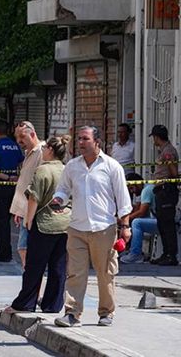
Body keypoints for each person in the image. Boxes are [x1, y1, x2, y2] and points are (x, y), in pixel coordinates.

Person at [52, 125, 131, 328]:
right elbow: (63, 189)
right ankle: (72, 313)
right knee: (75, 272)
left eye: (85, 139)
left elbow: (123, 200)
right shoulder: (72, 166)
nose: (80, 143)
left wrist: (125, 226)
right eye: (79, 139)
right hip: (77, 227)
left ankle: (106, 312)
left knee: (105, 272)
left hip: (104, 228)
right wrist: (58, 199)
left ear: (97, 142)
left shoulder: (112, 167)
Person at [6, 136, 71, 314]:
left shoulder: (42, 171)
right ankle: (53, 304)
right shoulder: (67, 170)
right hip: (65, 223)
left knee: (35, 266)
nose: (42, 150)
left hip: (44, 224)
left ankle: (26, 303)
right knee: (58, 266)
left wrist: (28, 219)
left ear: (50, 149)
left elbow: (34, 197)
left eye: (45, 148)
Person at [7, 121, 44, 267]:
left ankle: (32, 283)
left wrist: (28, 211)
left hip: (33, 211)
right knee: (23, 249)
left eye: (22, 137)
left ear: (33, 134)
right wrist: (19, 210)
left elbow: (38, 184)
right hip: (24, 209)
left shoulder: (41, 152)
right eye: (17, 137)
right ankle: (30, 281)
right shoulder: (29, 152)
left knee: (26, 249)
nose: (19, 141)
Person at [0, 120, 24, 263]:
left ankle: (4, 252)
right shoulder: (15, 146)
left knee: (1, 221)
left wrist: (8, 177)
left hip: (1, 187)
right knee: (15, 219)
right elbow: (22, 163)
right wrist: (17, 177)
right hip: (15, 187)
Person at [149, 125, 179, 266]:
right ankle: (166, 253)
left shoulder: (168, 152)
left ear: (157, 137)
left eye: (154, 137)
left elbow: (173, 173)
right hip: (161, 190)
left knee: (167, 224)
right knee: (162, 223)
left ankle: (171, 255)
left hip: (167, 190)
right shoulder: (164, 150)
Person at [121, 173, 156, 264]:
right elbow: (136, 210)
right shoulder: (144, 190)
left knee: (137, 223)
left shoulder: (147, 190)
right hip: (157, 219)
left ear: (138, 183)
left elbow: (141, 212)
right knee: (134, 221)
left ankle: (135, 254)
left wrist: (125, 220)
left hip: (160, 221)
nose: (132, 191)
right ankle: (131, 249)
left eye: (132, 188)